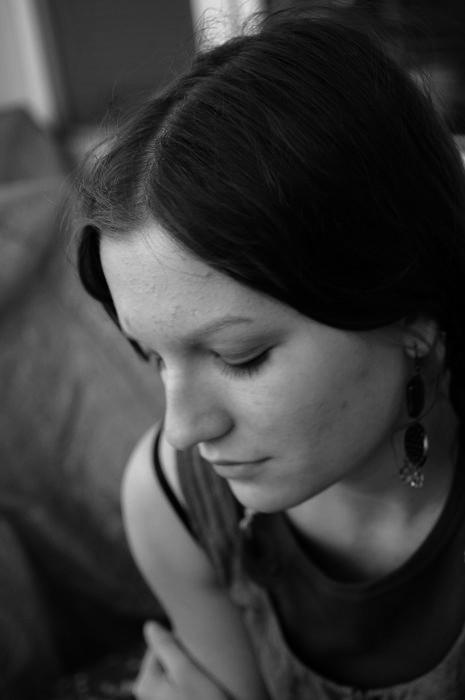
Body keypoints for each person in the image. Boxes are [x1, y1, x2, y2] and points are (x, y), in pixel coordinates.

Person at [75, 7, 465, 699]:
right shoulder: (173, 503)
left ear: (409, 312)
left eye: (240, 355)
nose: (184, 430)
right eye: (152, 356)